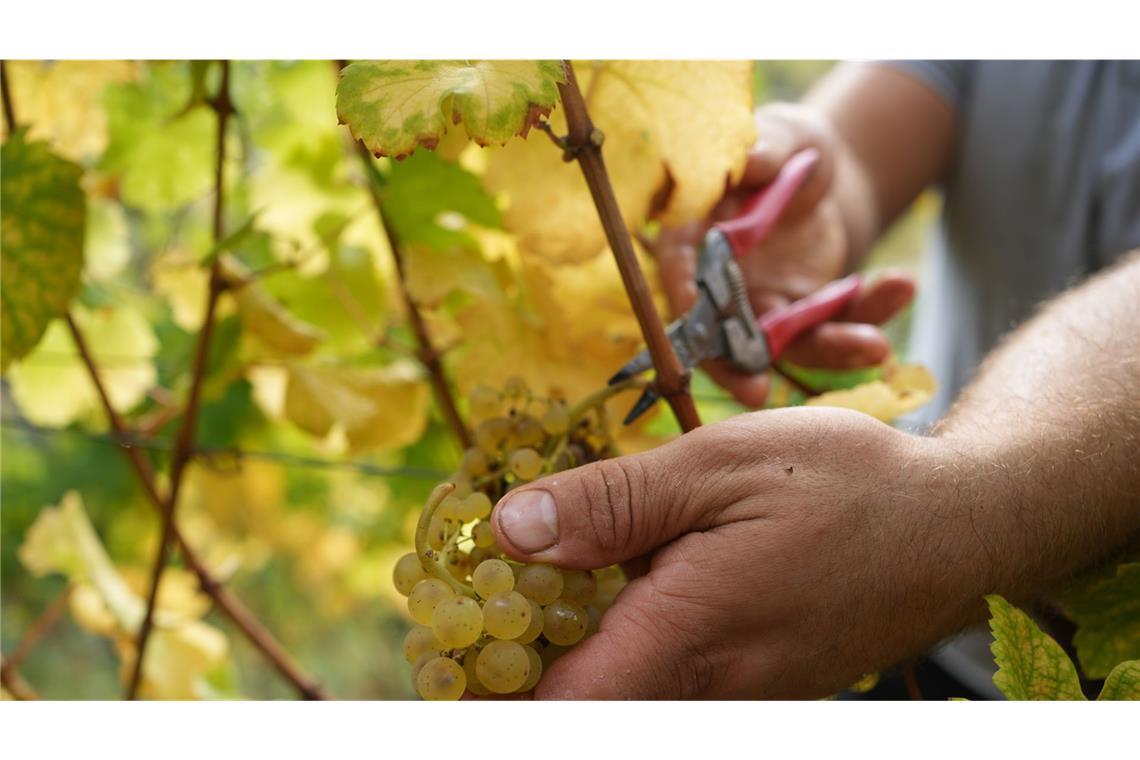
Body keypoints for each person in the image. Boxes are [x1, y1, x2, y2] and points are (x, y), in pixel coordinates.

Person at [489, 61, 1140, 699]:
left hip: (931, 591)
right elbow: (917, 87)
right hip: (926, 632)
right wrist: (826, 191)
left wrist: (954, 510)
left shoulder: (893, 561)